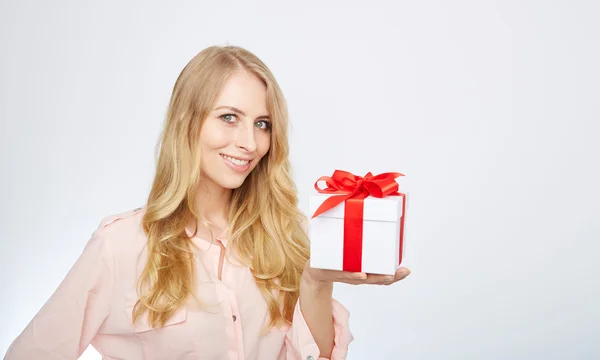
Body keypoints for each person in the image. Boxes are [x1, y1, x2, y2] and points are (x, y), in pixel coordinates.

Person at [5, 46, 411, 360]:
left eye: (262, 124)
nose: (250, 144)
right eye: (229, 117)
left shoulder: (290, 234)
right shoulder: (121, 245)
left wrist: (316, 282)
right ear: (188, 122)